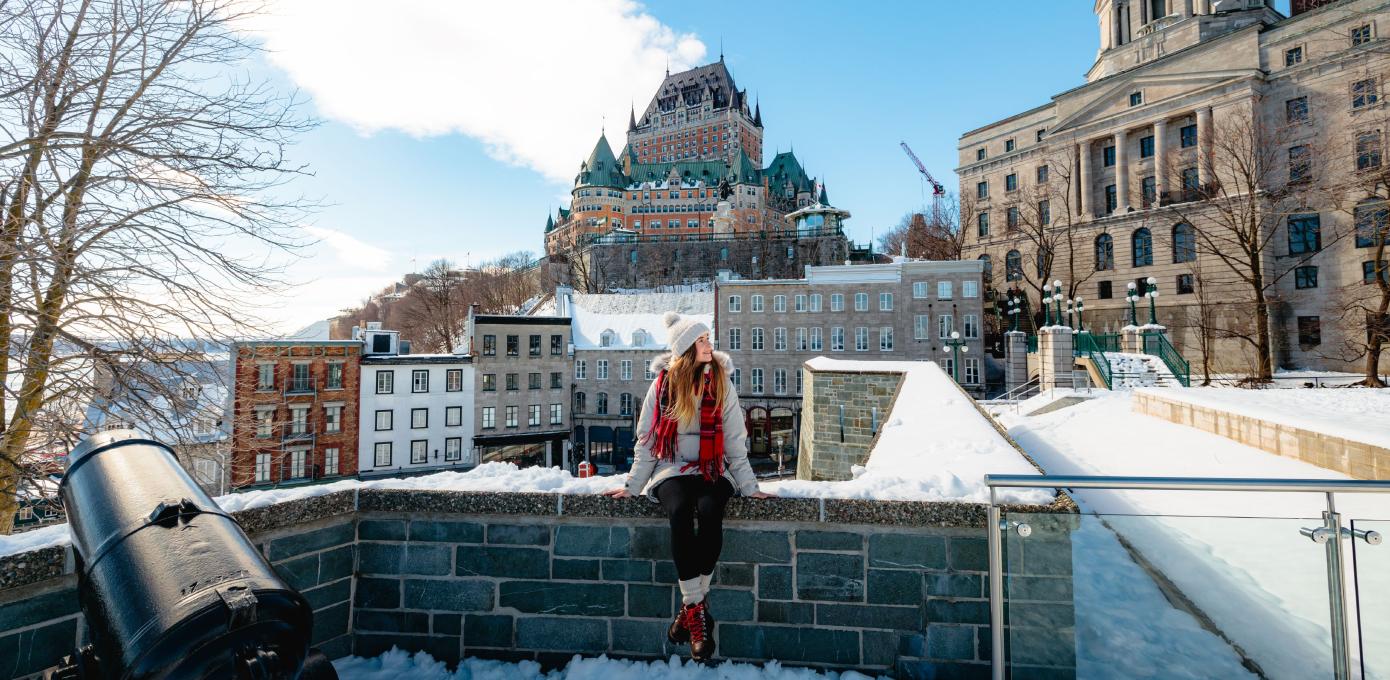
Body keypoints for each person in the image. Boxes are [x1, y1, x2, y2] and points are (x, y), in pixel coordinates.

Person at [602, 311, 773, 662]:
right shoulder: (662, 385)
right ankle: (698, 613)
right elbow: (648, 439)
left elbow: (736, 441)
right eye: (702, 340)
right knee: (679, 511)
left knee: (711, 511)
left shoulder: (722, 382)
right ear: (686, 348)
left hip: (713, 468)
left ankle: (689, 612)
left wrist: (749, 485)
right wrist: (633, 485)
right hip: (672, 468)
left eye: (708, 338)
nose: (709, 344)